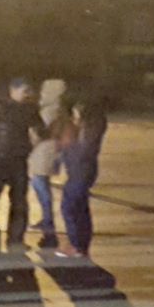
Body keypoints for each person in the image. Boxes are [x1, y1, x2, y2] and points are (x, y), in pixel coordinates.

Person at [0, 78, 42, 254]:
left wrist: (33, 142)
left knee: (19, 202)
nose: (27, 94)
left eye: (28, 91)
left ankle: (15, 239)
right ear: (13, 90)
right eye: (24, 91)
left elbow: (39, 130)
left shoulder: (30, 109)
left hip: (18, 159)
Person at [56, 97, 107, 259]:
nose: (74, 115)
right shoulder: (87, 127)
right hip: (78, 171)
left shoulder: (90, 128)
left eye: (77, 111)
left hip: (81, 171)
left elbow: (84, 151)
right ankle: (81, 245)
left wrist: (67, 147)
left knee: (70, 207)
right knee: (80, 207)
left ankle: (76, 245)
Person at [28, 78, 68, 250]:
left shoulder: (49, 111)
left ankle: (48, 225)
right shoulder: (59, 109)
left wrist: (29, 144)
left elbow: (40, 132)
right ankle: (46, 219)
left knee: (41, 188)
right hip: (49, 152)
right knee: (41, 187)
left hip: (43, 153)